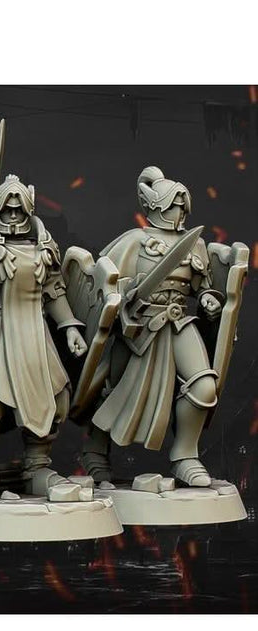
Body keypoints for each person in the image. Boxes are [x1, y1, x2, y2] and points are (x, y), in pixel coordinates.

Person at [82, 166, 223, 487]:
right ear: (157, 206)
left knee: (204, 386)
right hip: (138, 327)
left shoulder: (194, 244)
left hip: (178, 321)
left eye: (183, 207)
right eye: (174, 206)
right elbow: (104, 283)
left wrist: (208, 300)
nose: (179, 213)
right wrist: (121, 301)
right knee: (115, 389)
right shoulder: (134, 241)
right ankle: (95, 453)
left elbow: (203, 287)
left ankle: (185, 455)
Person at [0, 174, 88, 501]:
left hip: (35, 334)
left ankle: (37, 466)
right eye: (7, 210)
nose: (13, 216)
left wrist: (68, 325)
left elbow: (54, 290)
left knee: (54, 397)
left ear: (28, 210)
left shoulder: (44, 244)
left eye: (18, 210)